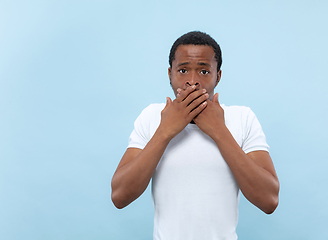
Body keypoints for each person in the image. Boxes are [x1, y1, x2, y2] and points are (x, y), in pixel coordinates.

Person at [111, 31, 279, 239]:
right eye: (182, 70)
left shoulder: (242, 118)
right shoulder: (152, 117)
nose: (192, 81)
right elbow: (119, 196)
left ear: (218, 76)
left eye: (203, 72)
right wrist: (165, 131)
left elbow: (269, 200)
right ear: (170, 74)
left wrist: (219, 131)